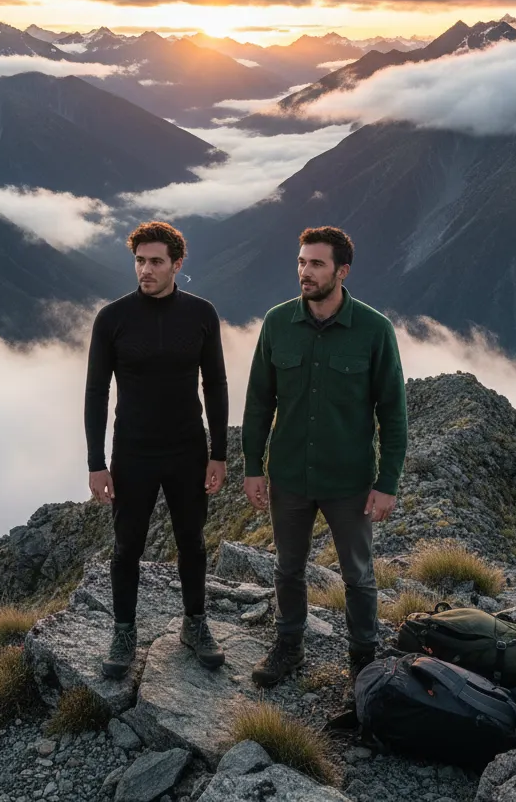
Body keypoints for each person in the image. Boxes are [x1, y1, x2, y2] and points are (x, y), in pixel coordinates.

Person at [242, 226, 407, 688]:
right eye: (300, 262)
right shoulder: (277, 323)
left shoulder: (374, 330)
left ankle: (363, 660)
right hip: (290, 476)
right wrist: (253, 466)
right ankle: (288, 646)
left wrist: (387, 481)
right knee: (287, 568)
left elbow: (394, 413)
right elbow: (259, 402)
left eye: (316, 264)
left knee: (358, 575)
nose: (305, 272)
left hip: (350, 480)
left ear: (342, 271)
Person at [84, 221, 228, 678]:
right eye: (140, 261)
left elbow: (216, 384)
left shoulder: (202, 314)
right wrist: (96, 463)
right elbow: (95, 393)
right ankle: (123, 631)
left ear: (177, 264)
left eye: (155, 262)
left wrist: (219, 452)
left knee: (192, 541)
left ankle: (195, 623)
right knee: (127, 546)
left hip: (188, 448)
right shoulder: (112, 318)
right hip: (133, 452)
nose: (145, 270)